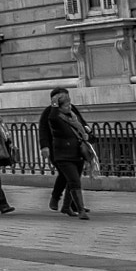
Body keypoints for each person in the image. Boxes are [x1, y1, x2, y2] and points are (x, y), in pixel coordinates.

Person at [39, 87, 94, 220]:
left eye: (68, 98)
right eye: (63, 98)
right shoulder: (51, 113)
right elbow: (43, 130)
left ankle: (68, 205)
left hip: (77, 151)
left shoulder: (72, 111)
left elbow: (81, 123)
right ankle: (63, 201)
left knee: (71, 178)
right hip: (59, 151)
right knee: (70, 178)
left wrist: (89, 135)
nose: (68, 103)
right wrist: (44, 146)